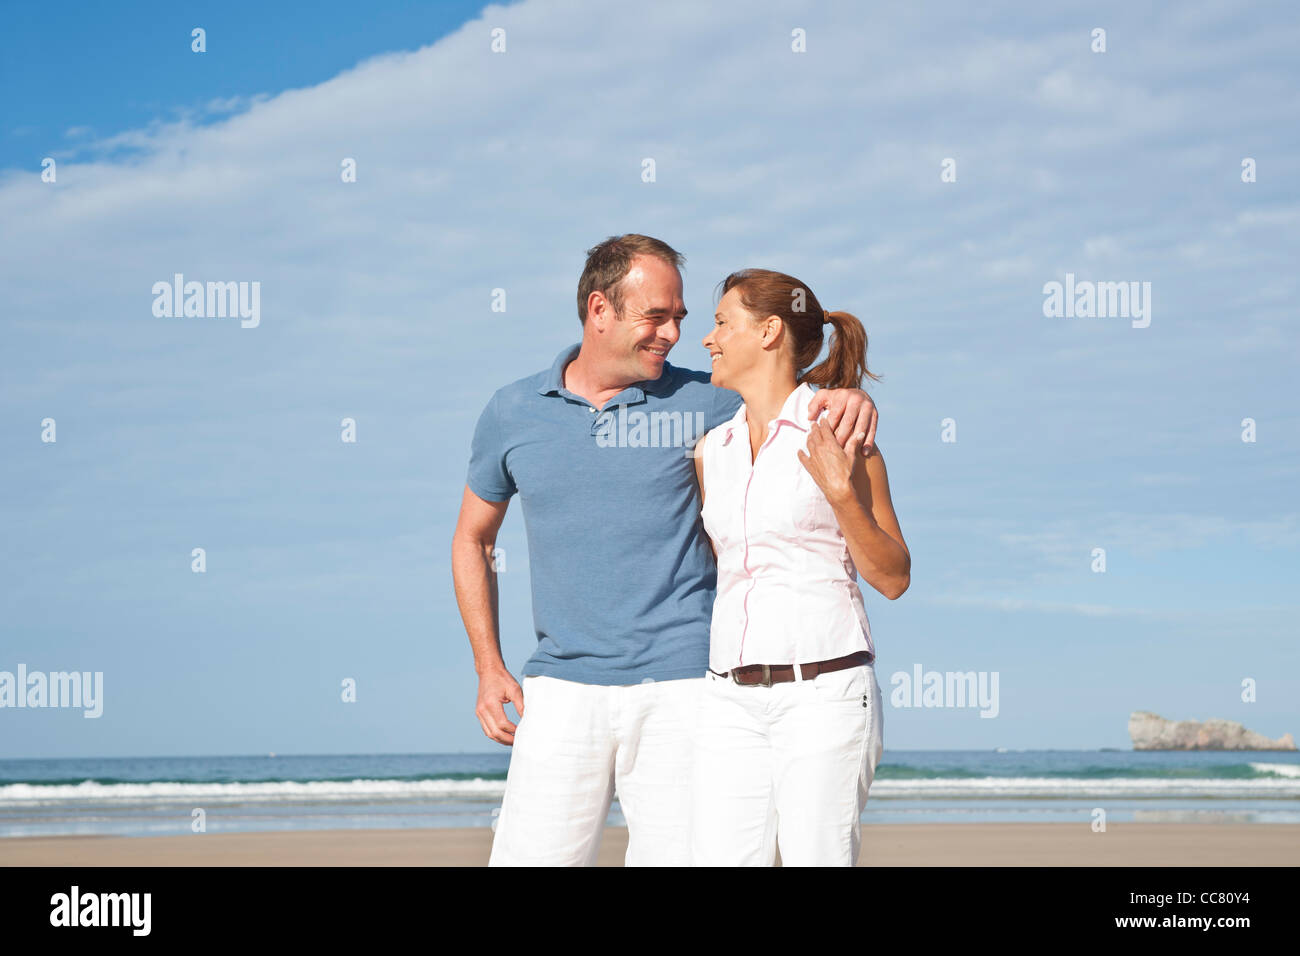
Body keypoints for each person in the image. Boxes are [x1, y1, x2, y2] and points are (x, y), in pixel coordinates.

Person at [451, 235, 879, 866]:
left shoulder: (707, 400)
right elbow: (472, 538)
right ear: (600, 310)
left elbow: (781, 390)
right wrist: (489, 667)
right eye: (657, 316)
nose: (675, 333)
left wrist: (844, 394)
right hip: (561, 690)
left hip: (686, 689)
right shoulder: (513, 412)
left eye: (680, 317)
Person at [690, 268, 910, 866]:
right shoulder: (714, 451)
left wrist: (843, 495)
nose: (708, 339)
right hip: (728, 701)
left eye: (719, 323)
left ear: (768, 331)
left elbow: (892, 576)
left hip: (824, 696)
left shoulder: (839, 430)